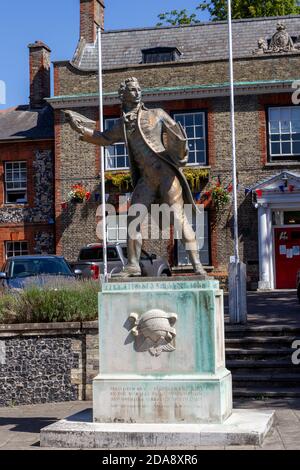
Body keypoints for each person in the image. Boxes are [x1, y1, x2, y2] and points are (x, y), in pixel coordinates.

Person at [65, 77, 208, 278]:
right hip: (147, 179)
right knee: (133, 220)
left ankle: (197, 265)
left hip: (166, 174)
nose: (137, 92)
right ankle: (132, 265)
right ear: (123, 95)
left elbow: (177, 135)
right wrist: (79, 128)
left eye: (139, 89)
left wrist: (182, 151)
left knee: (178, 218)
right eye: (132, 89)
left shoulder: (156, 114)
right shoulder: (122, 124)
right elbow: (104, 137)